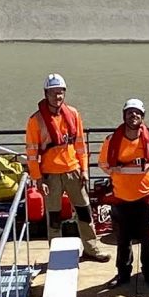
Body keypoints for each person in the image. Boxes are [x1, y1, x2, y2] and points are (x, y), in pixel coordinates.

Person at [24, 72, 110, 262]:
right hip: (50, 176)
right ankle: (56, 253)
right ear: (46, 94)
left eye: (61, 92)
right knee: (54, 218)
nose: (58, 96)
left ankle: (91, 248)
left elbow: (80, 144)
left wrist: (84, 170)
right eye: (54, 92)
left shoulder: (73, 114)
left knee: (84, 211)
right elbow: (31, 153)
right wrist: (38, 179)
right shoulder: (35, 120)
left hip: (73, 172)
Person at [98, 98, 149, 290]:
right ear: (124, 116)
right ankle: (123, 275)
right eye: (130, 112)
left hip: (146, 199)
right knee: (123, 241)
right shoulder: (112, 141)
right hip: (121, 200)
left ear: (143, 117)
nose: (134, 115)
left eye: (137, 113)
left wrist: (148, 177)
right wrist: (121, 177)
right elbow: (104, 165)